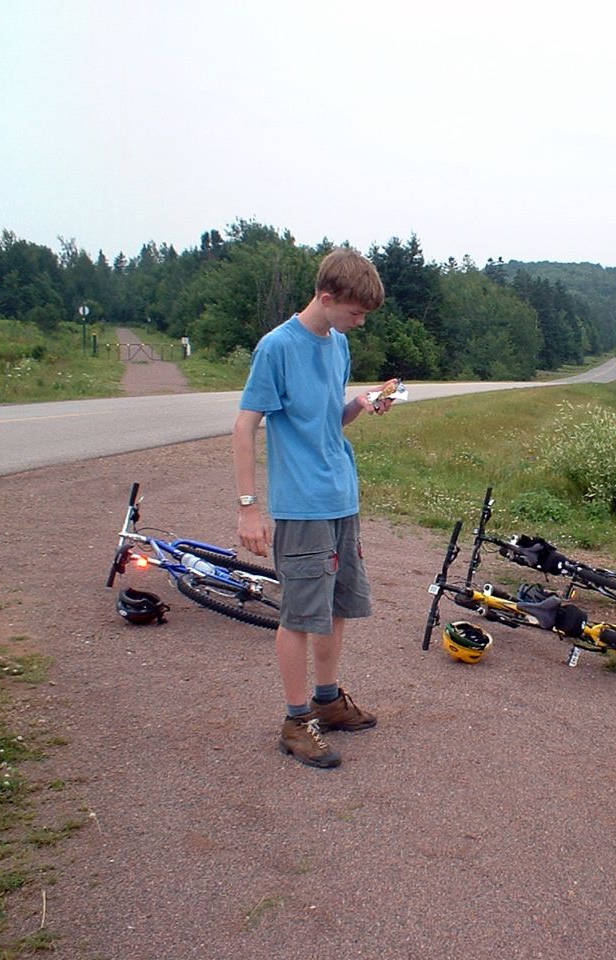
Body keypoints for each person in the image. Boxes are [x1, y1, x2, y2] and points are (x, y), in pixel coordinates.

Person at [231, 248, 398, 770]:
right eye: (355, 312)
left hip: (341, 496)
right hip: (302, 504)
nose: (360, 322)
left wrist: (361, 405)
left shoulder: (338, 344)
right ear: (326, 298)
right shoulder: (277, 347)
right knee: (300, 615)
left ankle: (327, 702)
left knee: (337, 606)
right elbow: (244, 426)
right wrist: (248, 508)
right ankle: (295, 720)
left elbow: (327, 420)